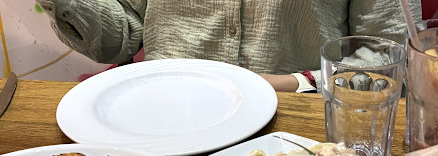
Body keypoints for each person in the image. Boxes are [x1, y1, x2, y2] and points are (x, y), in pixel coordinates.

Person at [39, 0, 421, 92]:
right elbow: (121, 39)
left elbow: (390, 56)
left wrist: (297, 83)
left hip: (296, 125)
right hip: (161, 111)